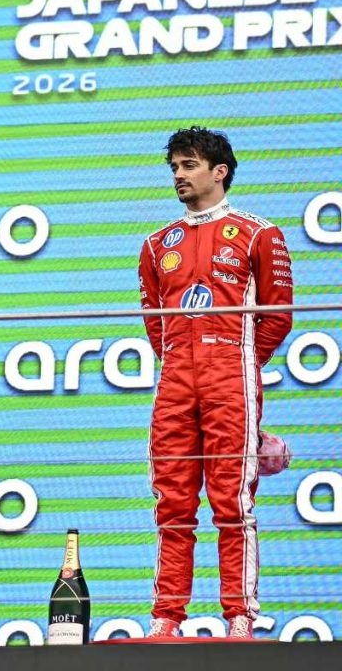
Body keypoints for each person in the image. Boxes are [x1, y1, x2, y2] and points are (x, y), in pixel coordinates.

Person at [138, 127, 293, 638]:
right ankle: (167, 616)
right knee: (173, 502)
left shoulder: (257, 233)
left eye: (188, 165)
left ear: (218, 171)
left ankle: (240, 616)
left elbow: (278, 317)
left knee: (232, 499)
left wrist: (240, 358)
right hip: (176, 379)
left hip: (231, 373)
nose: (178, 176)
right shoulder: (157, 244)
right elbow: (154, 324)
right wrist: (184, 359)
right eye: (174, 168)